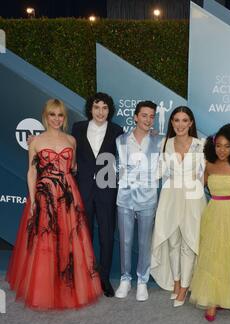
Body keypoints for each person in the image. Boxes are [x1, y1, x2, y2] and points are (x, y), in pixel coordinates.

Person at [6, 99, 102, 310]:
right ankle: (45, 287)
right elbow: (31, 172)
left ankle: (67, 285)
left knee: (70, 240)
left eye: (60, 115)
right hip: (44, 194)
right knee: (45, 240)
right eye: (52, 115)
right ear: (45, 116)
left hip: (68, 195)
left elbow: (73, 167)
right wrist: (32, 200)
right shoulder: (36, 141)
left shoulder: (71, 140)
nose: (56, 119)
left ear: (64, 118)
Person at [189, 124, 230, 322]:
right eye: (218, 146)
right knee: (213, 255)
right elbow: (197, 187)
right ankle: (212, 301)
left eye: (227, 146)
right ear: (212, 146)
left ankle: (227, 296)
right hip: (214, 213)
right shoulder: (208, 164)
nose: (222, 150)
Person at [151, 106, 206, 307]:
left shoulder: (201, 145)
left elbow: (204, 176)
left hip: (192, 197)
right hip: (170, 196)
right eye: (176, 120)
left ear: (191, 123)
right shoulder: (165, 143)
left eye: (184, 120)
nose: (180, 124)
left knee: (189, 243)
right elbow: (158, 172)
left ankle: (184, 287)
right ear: (171, 123)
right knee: (172, 242)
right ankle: (175, 282)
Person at [72, 92, 123, 297]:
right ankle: (85, 276)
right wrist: (36, 139)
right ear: (90, 109)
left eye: (104, 108)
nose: (100, 112)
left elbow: (132, 149)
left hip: (107, 189)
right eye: (96, 107)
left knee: (106, 236)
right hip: (83, 188)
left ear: (109, 111)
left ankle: (104, 279)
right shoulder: (78, 128)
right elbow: (62, 144)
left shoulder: (117, 131)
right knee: (84, 234)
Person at [115, 101, 161, 301]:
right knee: (125, 241)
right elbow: (117, 167)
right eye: (144, 115)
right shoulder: (120, 140)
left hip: (148, 198)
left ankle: (142, 281)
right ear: (135, 117)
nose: (148, 120)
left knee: (144, 242)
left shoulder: (159, 140)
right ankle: (125, 279)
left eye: (152, 116)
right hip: (124, 198)